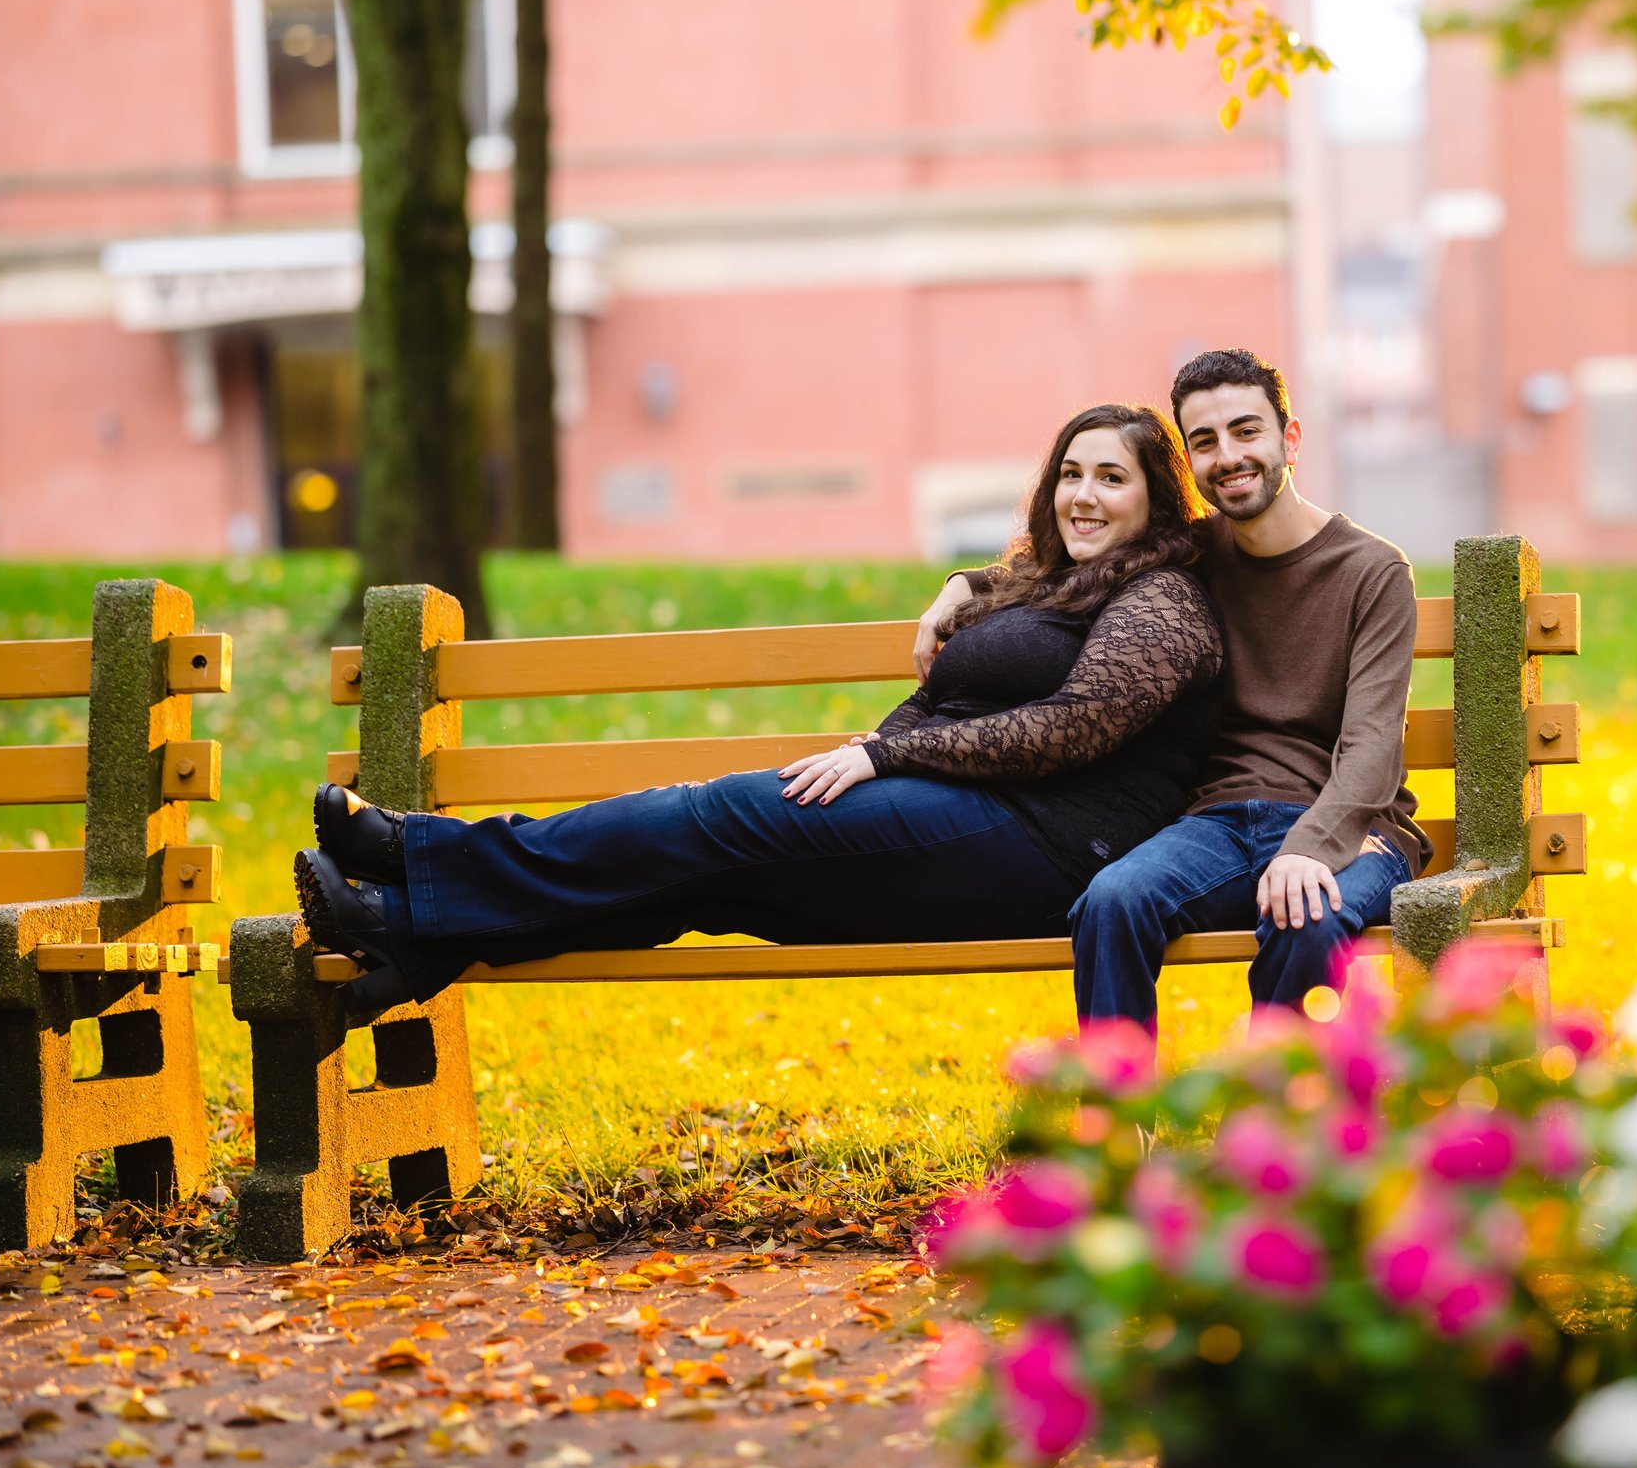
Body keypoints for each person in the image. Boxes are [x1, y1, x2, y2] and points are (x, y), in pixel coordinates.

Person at [296, 401, 1224, 1020]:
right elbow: (1019, 589)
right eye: (1071, 474)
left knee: (719, 816)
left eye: (1111, 478)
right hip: (963, 827)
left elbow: (1075, 725)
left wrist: (885, 757)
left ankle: (422, 864)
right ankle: (413, 934)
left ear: (1156, 498)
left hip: (1043, 848)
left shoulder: (1164, 600)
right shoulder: (1054, 583)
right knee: (703, 878)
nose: (1084, 496)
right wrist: (966, 581)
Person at [916, 349, 1426, 1031]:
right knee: (1112, 901)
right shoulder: (1188, 555)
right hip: (1215, 824)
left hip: (1349, 829)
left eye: (1246, 431)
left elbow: (1371, 747)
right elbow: (1070, 563)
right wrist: (965, 585)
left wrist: (1311, 845)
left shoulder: (1372, 570)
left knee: (1306, 918)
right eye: (1205, 441)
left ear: (1290, 439)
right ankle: (1119, 1127)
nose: (1229, 456)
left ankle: (1282, 1128)